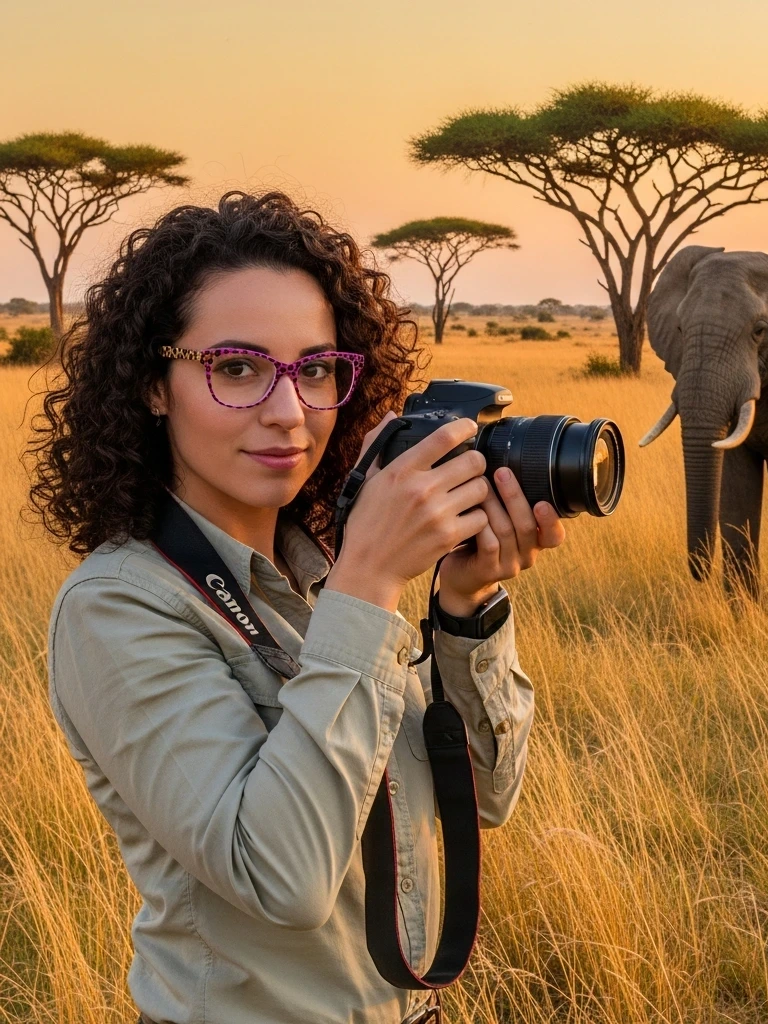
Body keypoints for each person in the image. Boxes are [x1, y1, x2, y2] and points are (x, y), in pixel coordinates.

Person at [29, 190, 565, 1024]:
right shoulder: (119, 605)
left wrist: (464, 607)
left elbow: (483, 799)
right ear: (153, 387)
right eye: (236, 369)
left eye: (316, 369)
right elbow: (281, 878)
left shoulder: (320, 570)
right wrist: (370, 585)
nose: (288, 412)